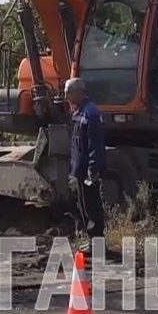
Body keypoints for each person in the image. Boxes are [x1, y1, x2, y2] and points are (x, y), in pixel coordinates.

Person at [65, 77, 106, 253]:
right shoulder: (78, 112)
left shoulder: (90, 113)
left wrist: (93, 168)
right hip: (80, 169)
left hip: (88, 171)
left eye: (68, 92)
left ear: (79, 92)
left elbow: (95, 143)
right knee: (84, 206)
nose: (66, 95)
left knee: (92, 206)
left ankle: (98, 245)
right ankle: (92, 241)